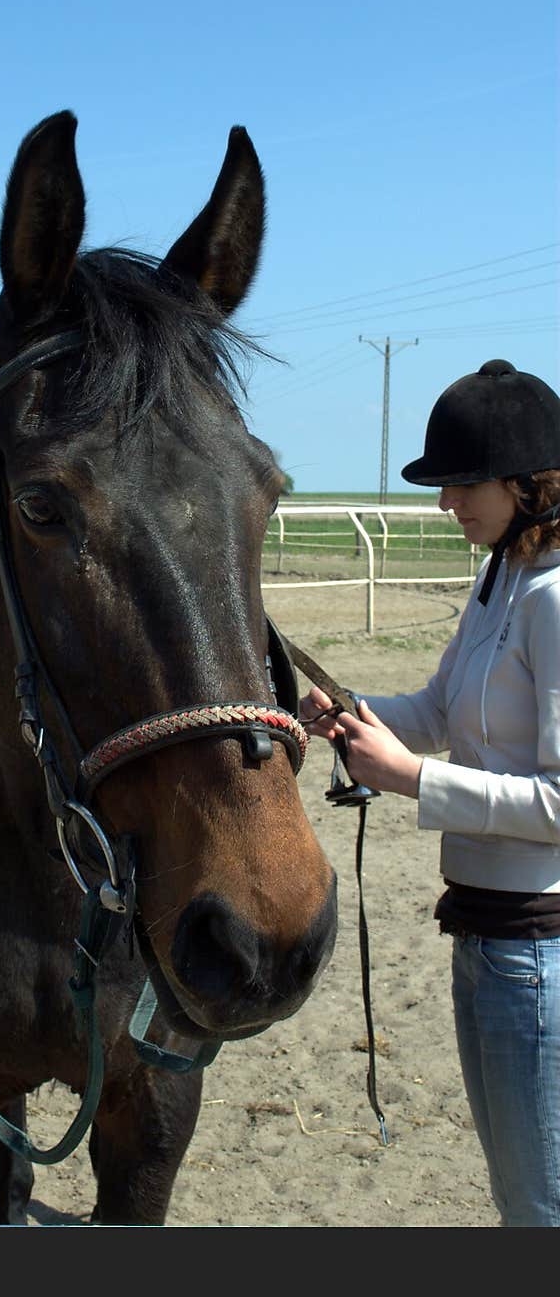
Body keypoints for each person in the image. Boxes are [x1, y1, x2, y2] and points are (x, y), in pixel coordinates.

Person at [301, 359, 560, 1227]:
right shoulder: (501, 579)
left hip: (539, 951)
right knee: (520, 1199)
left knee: (540, 1206)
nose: (448, 504)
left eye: (463, 483)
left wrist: (408, 779)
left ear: (530, 482)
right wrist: (344, 711)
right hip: (485, 935)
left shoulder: (557, 599)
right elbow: (441, 710)